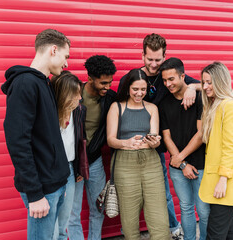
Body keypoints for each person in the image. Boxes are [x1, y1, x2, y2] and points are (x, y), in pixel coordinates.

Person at [117, 33, 201, 239]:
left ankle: (173, 229)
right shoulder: (132, 77)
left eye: (158, 59)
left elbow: (209, 84)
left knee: (162, 192)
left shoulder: (169, 73)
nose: (154, 65)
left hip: (160, 142)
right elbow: (117, 106)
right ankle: (131, 231)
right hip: (131, 145)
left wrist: (192, 87)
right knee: (131, 194)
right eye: (149, 59)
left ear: (165, 56)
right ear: (142, 55)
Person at [1, 29, 71, 240]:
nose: (66, 64)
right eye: (66, 56)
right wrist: (35, 193)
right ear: (53, 49)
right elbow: (18, 141)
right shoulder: (25, 84)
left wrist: (61, 180)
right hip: (42, 190)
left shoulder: (43, 83)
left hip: (55, 183)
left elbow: (49, 137)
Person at [107, 69, 170, 240]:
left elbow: (154, 135)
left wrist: (155, 142)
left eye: (143, 90)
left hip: (151, 162)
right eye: (135, 89)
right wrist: (126, 143)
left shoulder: (152, 108)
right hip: (125, 164)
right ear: (128, 87)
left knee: (159, 216)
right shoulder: (116, 107)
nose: (139, 93)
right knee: (129, 217)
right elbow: (110, 140)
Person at [198, 62, 233, 239]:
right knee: (226, 232)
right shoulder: (216, 105)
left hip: (225, 181)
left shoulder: (228, 106)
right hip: (219, 180)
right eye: (203, 82)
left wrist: (223, 179)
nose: (205, 87)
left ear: (220, 82)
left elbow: (231, 148)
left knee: (214, 234)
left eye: (209, 82)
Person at [159, 58, 210, 240]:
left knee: (203, 211)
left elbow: (201, 134)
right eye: (165, 80)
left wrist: (180, 158)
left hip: (200, 165)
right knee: (186, 208)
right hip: (179, 167)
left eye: (171, 79)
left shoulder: (199, 98)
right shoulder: (164, 103)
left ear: (183, 76)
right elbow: (166, 137)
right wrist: (182, 164)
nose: (168, 84)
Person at [68, 55, 117, 240]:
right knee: (72, 213)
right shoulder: (73, 93)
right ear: (89, 78)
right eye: (103, 83)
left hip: (95, 160)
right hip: (73, 162)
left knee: (99, 206)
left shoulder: (110, 98)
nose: (107, 87)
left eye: (110, 82)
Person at [51, 71, 85, 240]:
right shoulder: (48, 114)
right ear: (64, 94)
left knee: (63, 228)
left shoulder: (78, 111)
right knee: (52, 229)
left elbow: (79, 140)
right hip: (51, 172)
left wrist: (79, 168)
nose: (80, 98)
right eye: (75, 94)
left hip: (70, 170)